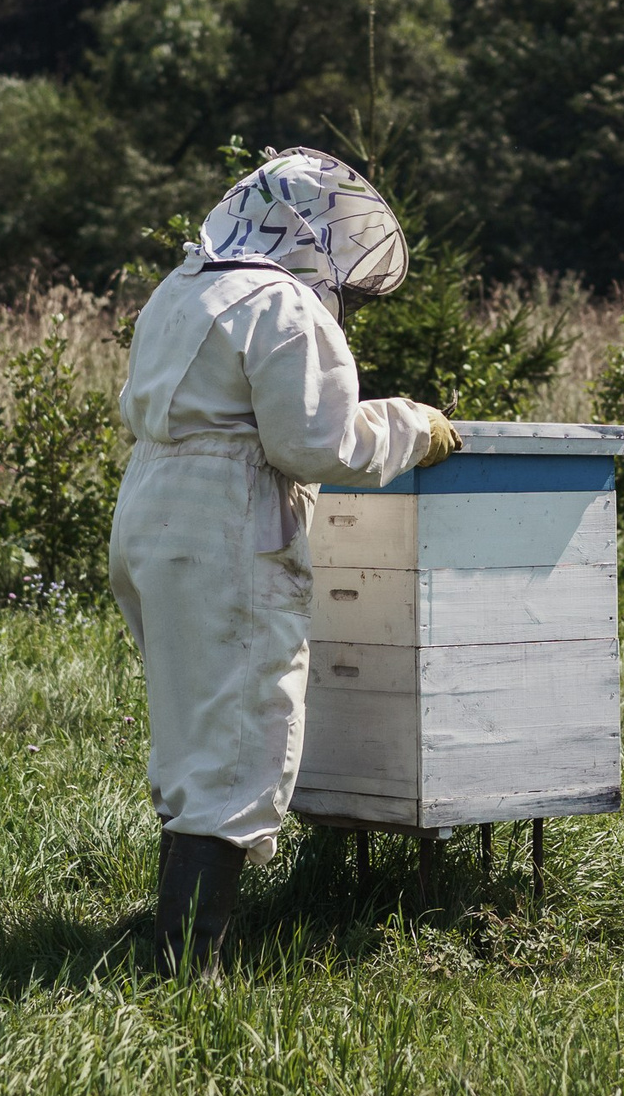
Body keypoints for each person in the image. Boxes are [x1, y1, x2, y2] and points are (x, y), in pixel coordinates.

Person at [111, 148, 458, 978]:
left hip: (151, 508)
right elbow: (314, 441)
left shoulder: (182, 287)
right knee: (238, 730)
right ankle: (189, 962)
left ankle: (171, 925)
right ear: (316, 235)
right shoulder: (284, 305)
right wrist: (412, 427)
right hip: (229, 516)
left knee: (193, 721)